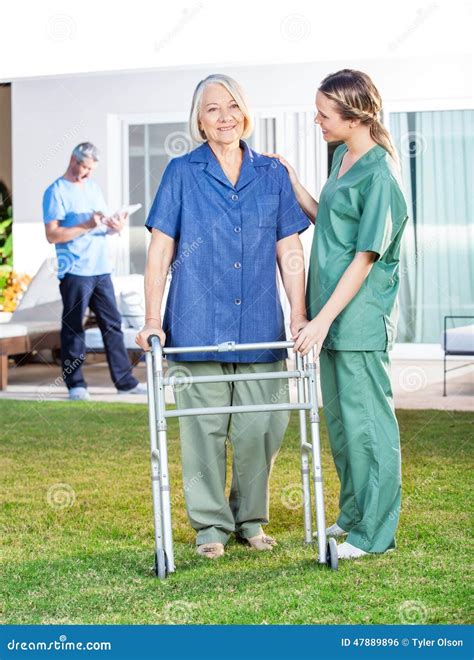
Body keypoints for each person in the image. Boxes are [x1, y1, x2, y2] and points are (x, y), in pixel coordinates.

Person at [136, 74, 310, 559]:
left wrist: (298, 311)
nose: (225, 116)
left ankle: (249, 517)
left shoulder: (271, 174)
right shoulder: (181, 172)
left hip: (260, 326)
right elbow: (160, 249)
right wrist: (152, 317)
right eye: (213, 109)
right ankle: (211, 527)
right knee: (204, 429)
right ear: (199, 120)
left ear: (245, 111)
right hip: (196, 326)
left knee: (262, 427)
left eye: (233, 106)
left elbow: (289, 247)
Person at [268, 69, 409, 560]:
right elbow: (326, 219)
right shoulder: (341, 157)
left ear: (355, 116)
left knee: (368, 427)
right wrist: (293, 181)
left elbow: (364, 258)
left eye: (325, 115)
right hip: (328, 318)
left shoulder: (381, 175)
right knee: (345, 428)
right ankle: (352, 517)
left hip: (357, 319)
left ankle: (374, 536)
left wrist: (321, 319)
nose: (317, 121)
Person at [43, 142, 147, 401]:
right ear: (73, 160)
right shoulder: (55, 191)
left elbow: (102, 226)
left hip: (101, 269)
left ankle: (125, 382)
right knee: (74, 327)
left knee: (113, 325)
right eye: (86, 168)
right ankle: (75, 384)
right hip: (75, 270)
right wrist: (87, 224)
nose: (89, 174)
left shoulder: (92, 187)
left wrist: (115, 225)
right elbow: (52, 235)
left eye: (92, 169)